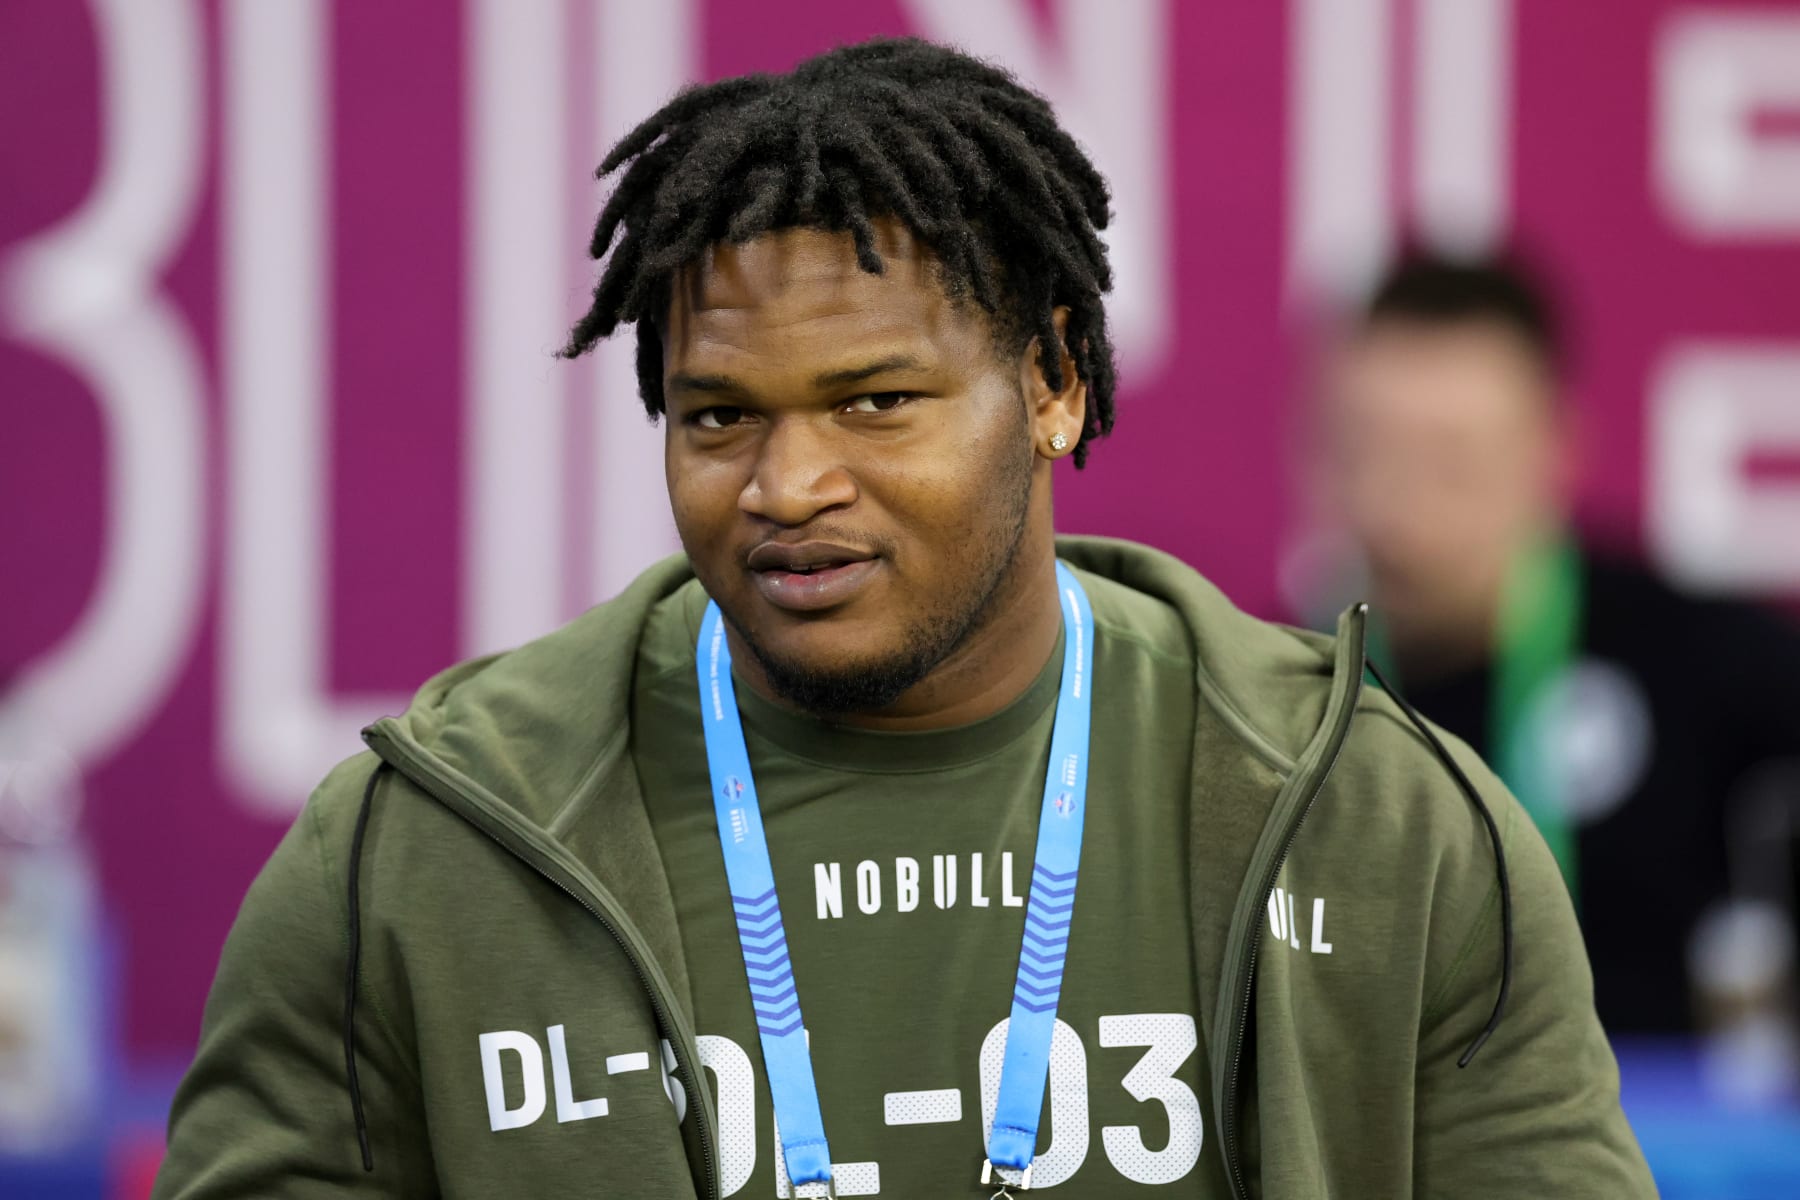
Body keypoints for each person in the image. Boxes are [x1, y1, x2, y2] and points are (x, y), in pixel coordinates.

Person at [154, 40, 1652, 1199]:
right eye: (719, 415)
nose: (788, 485)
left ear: (1055, 383)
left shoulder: (1380, 824)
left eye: (878, 402)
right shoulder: (421, 851)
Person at [1305, 249, 1800, 1038]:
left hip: (1672, 1156)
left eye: (1452, 465)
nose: (1396, 508)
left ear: (1555, 451)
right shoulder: (1277, 689)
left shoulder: (1709, 667)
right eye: (1364, 454)